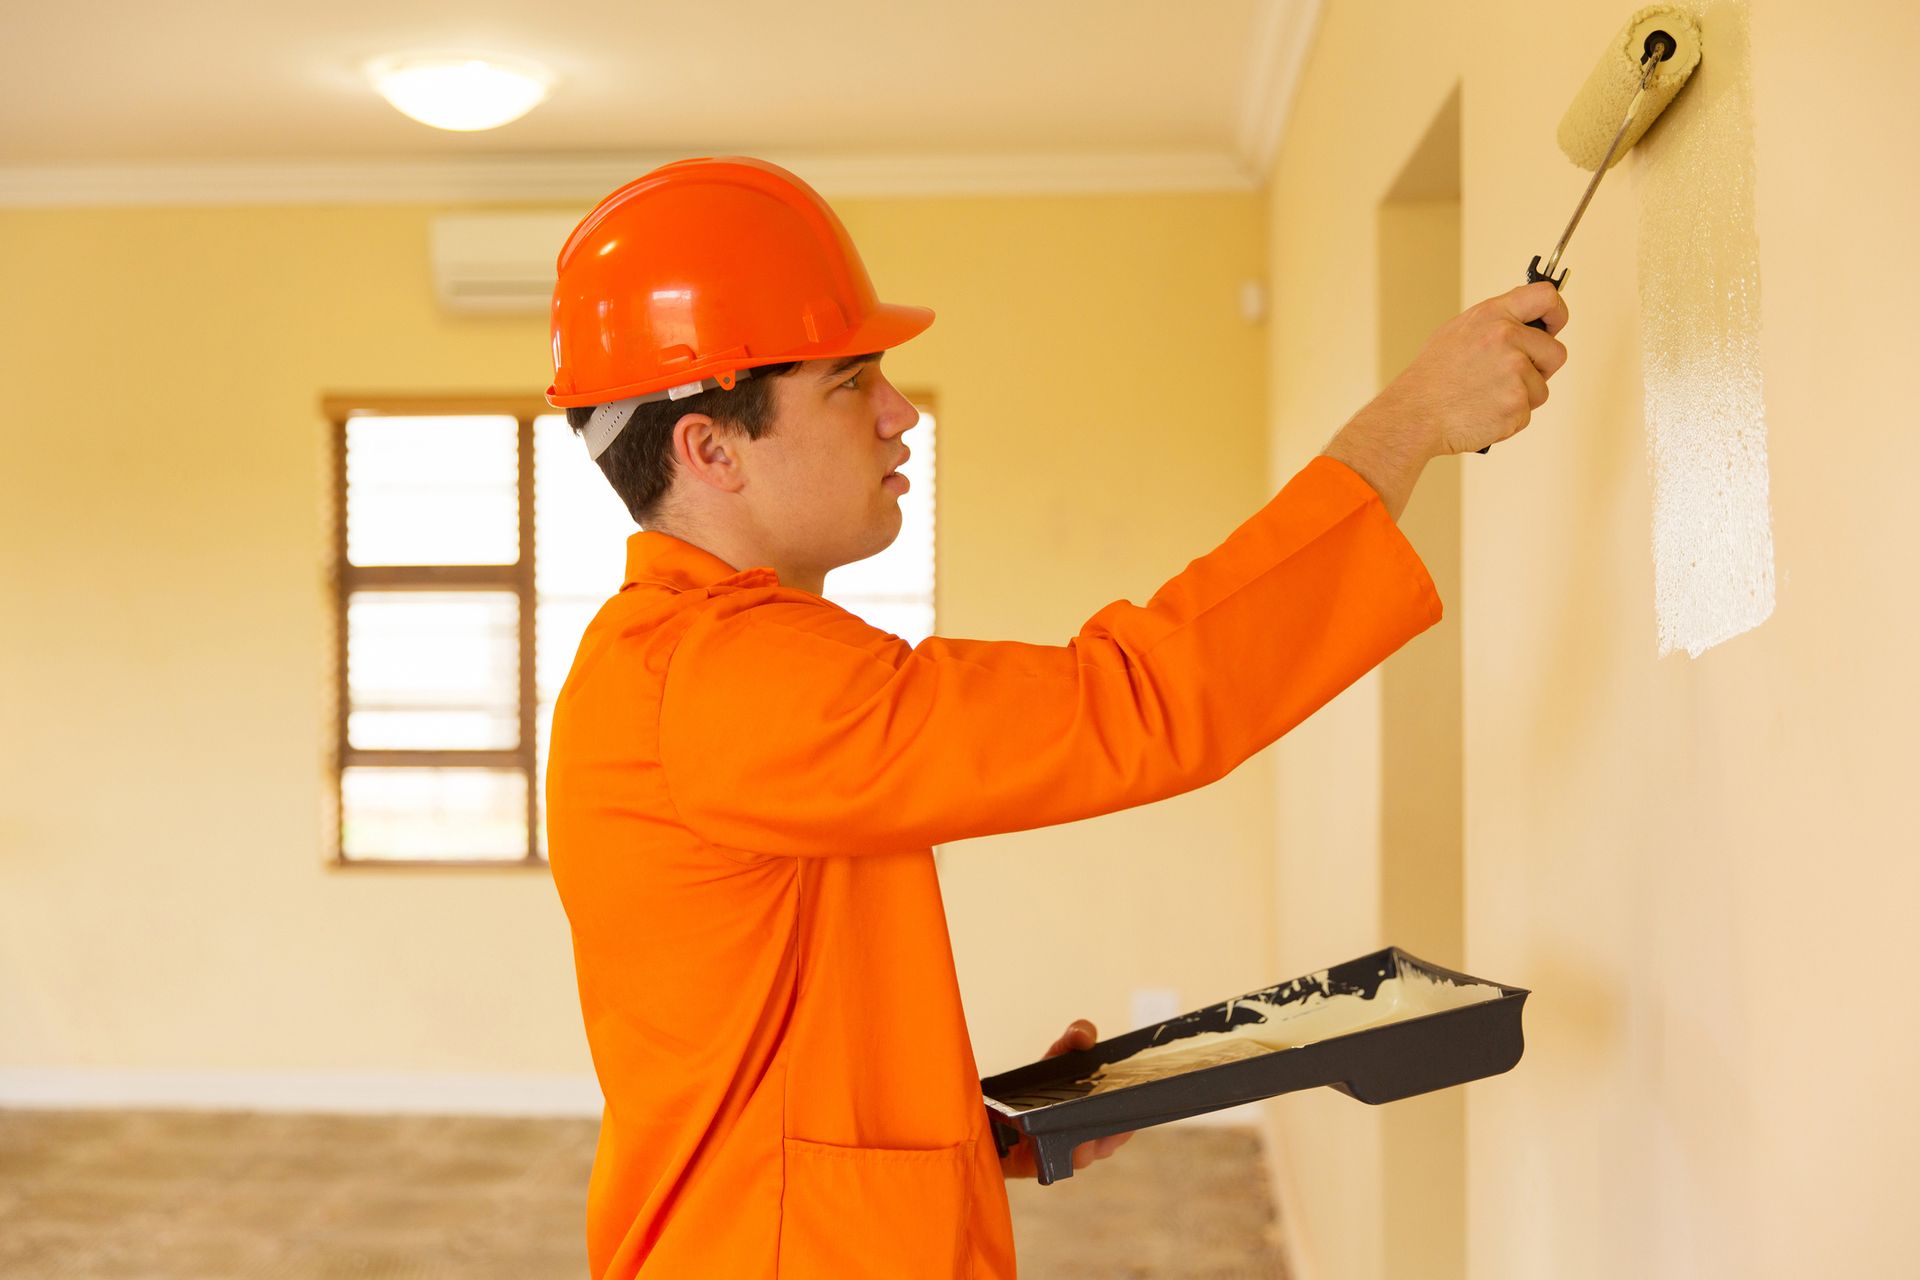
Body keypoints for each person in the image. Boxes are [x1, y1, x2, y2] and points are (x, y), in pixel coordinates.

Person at [543, 155, 1569, 1279]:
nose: (898, 416)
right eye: (850, 382)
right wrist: (1410, 418)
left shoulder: (669, 658)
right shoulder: (729, 676)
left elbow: (750, 1047)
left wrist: (985, 1125)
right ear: (710, 446)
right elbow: (1127, 703)